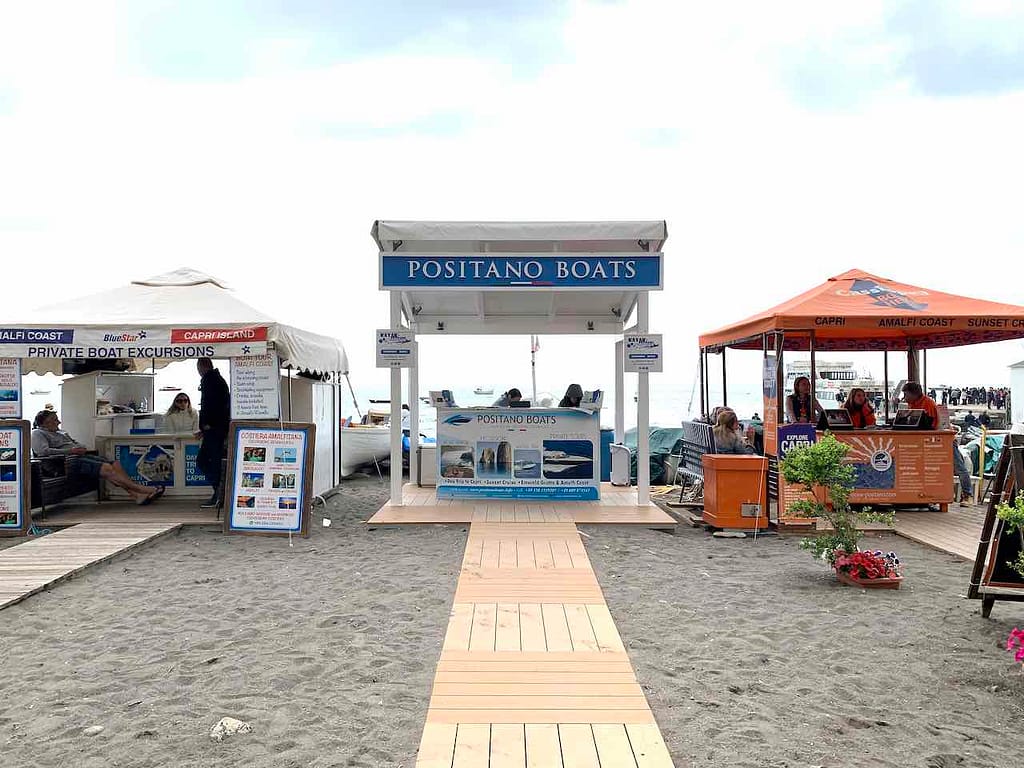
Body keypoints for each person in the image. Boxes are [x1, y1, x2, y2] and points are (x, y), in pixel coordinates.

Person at [31, 410, 163, 505]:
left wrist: (79, 448)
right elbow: (43, 452)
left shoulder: (61, 432)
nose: (59, 421)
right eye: (55, 419)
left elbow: (77, 443)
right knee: (106, 468)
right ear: (44, 422)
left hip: (77, 457)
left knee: (115, 464)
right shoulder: (38, 433)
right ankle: (140, 489)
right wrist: (70, 451)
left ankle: (136, 496)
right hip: (63, 463)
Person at [904, 381, 971, 506]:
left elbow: (931, 424)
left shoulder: (927, 403)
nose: (904, 397)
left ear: (914, 394)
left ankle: (967, 495)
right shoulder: (913, 404)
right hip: (930, 441)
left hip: (943, 440)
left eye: (906, 394)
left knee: (959, 467)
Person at [195, 358, 231, 508]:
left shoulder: (210, 381)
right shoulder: (217, 381)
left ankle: (219, 491)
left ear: (202, 367)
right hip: (217, 429)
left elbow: (210, 406)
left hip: (214, 430)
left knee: (205, 461)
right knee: (209, 461)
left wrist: (208, 426)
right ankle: (219, 491)